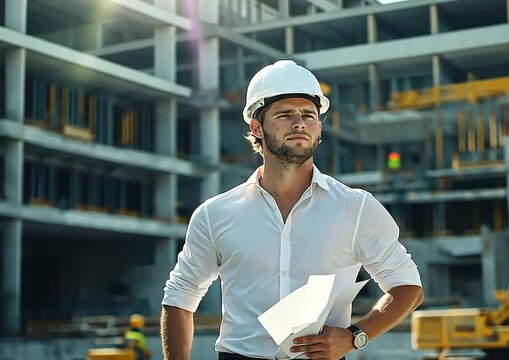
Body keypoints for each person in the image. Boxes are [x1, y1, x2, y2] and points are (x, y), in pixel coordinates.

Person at [161, 60, 423, 360]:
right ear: (256, 127)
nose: (299, 123)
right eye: (285, 115)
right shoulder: (215, 214)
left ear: (319, 127)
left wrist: (355, 336)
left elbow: (407, 287)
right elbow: (180, 298)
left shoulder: (356, 207)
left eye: (309, 115)